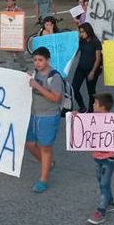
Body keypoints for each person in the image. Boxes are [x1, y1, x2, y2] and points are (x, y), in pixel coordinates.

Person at [26, 47, 64, 193]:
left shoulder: (54, 76)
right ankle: (47, 164)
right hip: (34, 114)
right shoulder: (34, 73)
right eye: (35, 60)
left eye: (40, 60)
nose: (37, 63)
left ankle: (43, 179)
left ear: (47, 60)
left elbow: (56, 98)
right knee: (29, 144)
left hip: (48, 116)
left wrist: (37, 86)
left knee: (45, 147)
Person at [85, 92, 114, 225]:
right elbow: (82, 126)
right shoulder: (93, 118)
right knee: (101, 182)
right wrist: (75, 118)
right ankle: (110, 202)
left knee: (104, 183)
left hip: (109, 158)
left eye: (95, 103)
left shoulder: (113, 120)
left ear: (103, 107)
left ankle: (101, 211)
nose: (93, 105)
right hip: (97, 157)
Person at [72, 23, 103, 113]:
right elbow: (75, 51)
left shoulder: (96, 41)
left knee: (91, 91)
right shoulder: (81, 40)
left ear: (88, 31)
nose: (81, 34)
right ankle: (82, 106)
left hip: (91, 69)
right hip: (81, 68)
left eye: (82, 32)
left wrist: (93, 72)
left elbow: (98, 58)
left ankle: (91, 110)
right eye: (80, 32)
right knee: (74, 88)